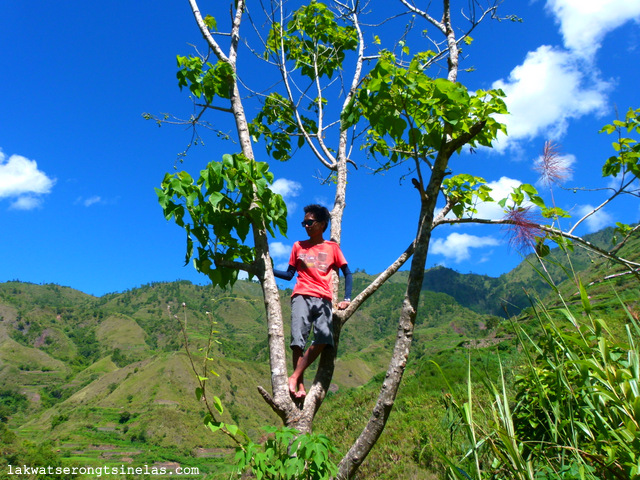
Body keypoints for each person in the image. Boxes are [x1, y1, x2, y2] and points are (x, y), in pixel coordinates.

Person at [273, 204, 353, 399]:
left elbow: (347, 273)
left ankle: (294, 376)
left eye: (309, 222)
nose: (306, 226)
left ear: (322, 224)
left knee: (324, 339)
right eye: (304, 223)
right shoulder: (298, 246)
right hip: (301, 294)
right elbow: (289, 274)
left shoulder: (332, 248)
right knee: (297, 341)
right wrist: (267, 268)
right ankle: (299, 385)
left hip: (324, 298)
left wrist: (347, 299)